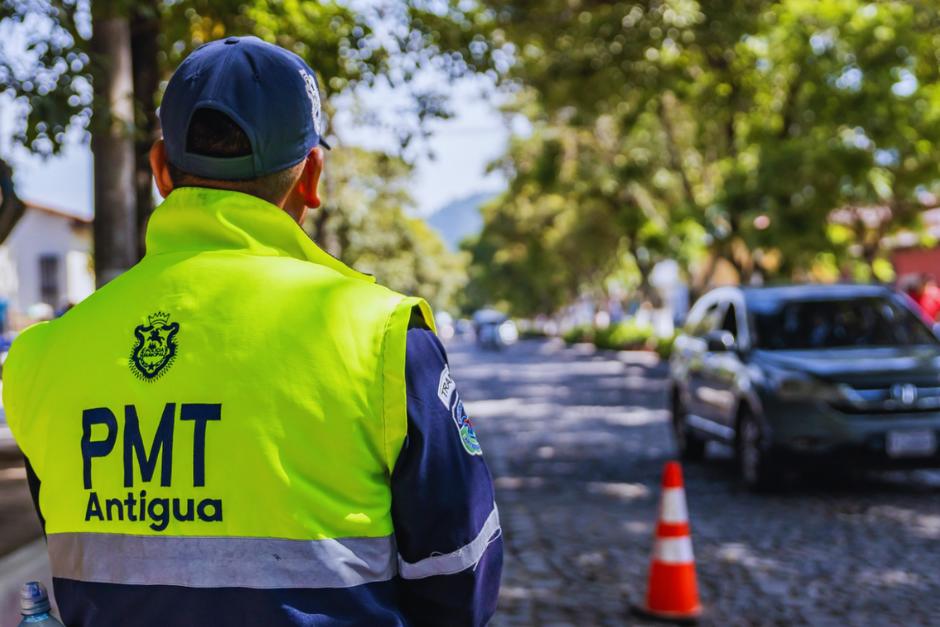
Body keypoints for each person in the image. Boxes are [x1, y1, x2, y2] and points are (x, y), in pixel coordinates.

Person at [4, 36, 502, 626]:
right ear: (312, 176)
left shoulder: (42, 357)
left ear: (161, 170)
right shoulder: (383, 337)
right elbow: (461, 578)